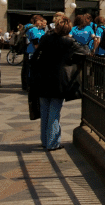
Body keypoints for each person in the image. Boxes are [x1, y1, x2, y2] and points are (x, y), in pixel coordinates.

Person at [30, 18, 88, 151]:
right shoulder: (69, 41)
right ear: (69, 30)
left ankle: (45, 140)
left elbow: (36, 55)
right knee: (55, 111)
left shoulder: (45, 38)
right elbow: (85, 52)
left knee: (44, 110)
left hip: (43, 76)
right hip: (59, 79)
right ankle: (53, 143)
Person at [22, 15, 47, 91]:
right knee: (31, 69)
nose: (42, 22)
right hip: (32, 52)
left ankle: (27, 85)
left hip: (31, 51)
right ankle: (29, 85)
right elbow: (35, 41)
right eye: (40, 20)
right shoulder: (33, 29)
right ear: (35, 21)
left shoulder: (36, 29)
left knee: (28, 69)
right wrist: (40, 51)